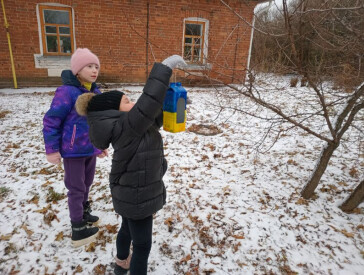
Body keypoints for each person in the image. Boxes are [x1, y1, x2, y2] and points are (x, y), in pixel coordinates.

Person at [75, 55, 186, 275]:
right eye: (127, 102)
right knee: (143, 245)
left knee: (127, 228)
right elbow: (147, 103)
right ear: (113, 111)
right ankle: (128, 265)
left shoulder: (129, 126)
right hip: (137, 194)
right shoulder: (125, 127)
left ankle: (121, 263)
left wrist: (174, 103)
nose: (133, 103)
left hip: (132, 189)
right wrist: (165, 68)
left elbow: (152, 117)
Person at [43, 48, 108, 247]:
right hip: (72, 151)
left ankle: (84, 212)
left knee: (87, 183)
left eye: (96, 66)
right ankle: (77, 227)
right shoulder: (67, 92)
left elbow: (97, 122)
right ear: (77, 70)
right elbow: (52, 120)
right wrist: (52, 149)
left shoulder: (94, 91)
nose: (94, 70)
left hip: (89, 149)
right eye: (89, 66)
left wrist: (100, 145)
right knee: (76, 187)